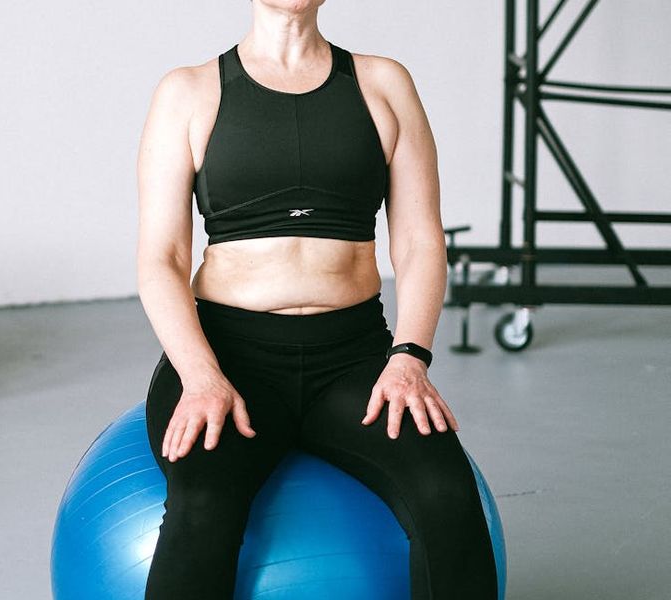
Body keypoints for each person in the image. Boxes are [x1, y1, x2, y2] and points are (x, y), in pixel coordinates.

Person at [135, 1, 498, 598]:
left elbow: (418, 240)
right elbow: (162, 260)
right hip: (227, 357)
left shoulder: (384, 83)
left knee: (445, 493)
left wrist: (410, 357)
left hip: (355, 360)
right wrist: (200, 375)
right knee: (203, 504)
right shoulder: (188, 92)